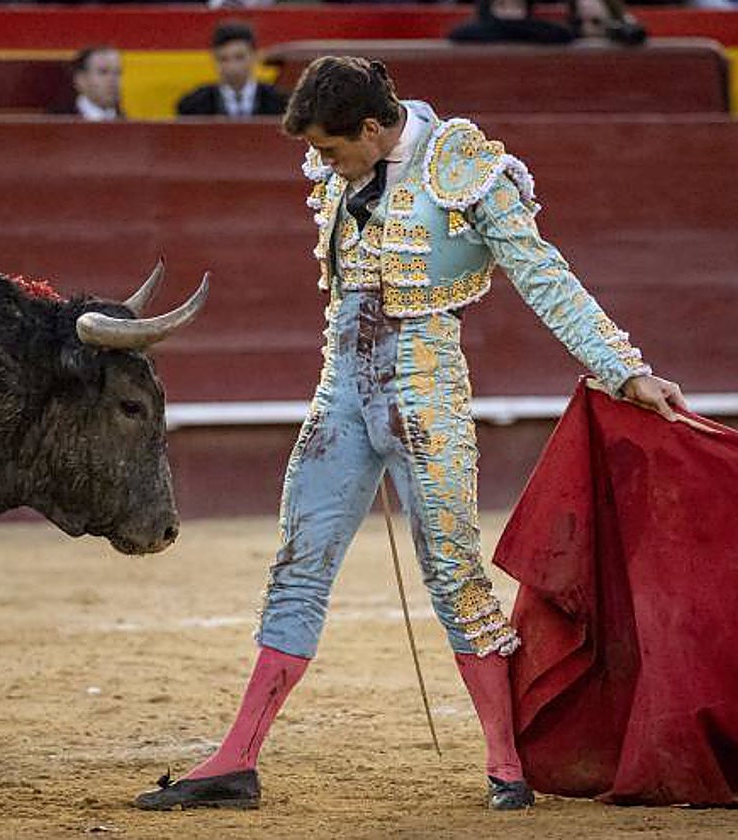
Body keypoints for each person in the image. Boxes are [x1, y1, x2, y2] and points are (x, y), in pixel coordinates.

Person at [136, 56, 685, 813]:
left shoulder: (466, 168)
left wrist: (624, 369)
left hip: (425, 396)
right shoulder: (341, 166)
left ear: (371, 127)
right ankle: (237, 758)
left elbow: (544, 277)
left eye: (331, 150)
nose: (320, 165)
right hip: (340, 397)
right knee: (298, 564)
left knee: (453, 576)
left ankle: (505, 765)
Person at [176, 21, 288, 118]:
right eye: (223, 59)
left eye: (239, 57)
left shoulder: (282, 104)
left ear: (254, 56)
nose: (232, 67)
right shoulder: (192, 106)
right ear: (214, 61)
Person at [66, 45, 124, 121]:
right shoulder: (57, 121)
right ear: (81, 80)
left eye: (118, 73)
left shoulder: (130, 125)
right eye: (103, 72)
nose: (113, 80)